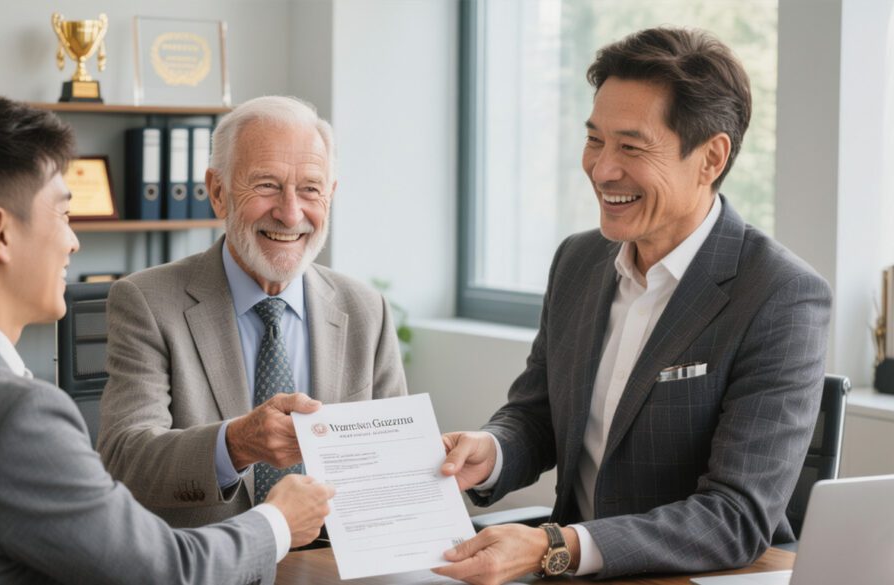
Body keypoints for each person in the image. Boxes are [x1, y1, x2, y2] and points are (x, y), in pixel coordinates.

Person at [0, 94, 333, 584]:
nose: (73, 241)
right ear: (0, 232)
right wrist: (280, 521)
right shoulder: (18, 419)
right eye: (62, 214)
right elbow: (167, 572)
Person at [435, 27, 831, 584]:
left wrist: (559, 544)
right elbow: (538, 413)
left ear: (711, 157)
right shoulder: (578, 261)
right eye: (595, 140)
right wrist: (493, 450)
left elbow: (736, 517)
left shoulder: (780, 294)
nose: (601, 170)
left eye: (631, 146)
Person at [97, 95, 407, 528]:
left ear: (330, 196)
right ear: (219, 192)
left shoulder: (365, 309)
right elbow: (125, 461)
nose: (290, 212)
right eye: (266, 185)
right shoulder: (147, 301)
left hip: (330, 566)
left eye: (310, 189)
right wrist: (237, 444)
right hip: (206, 565)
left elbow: (393, 469)